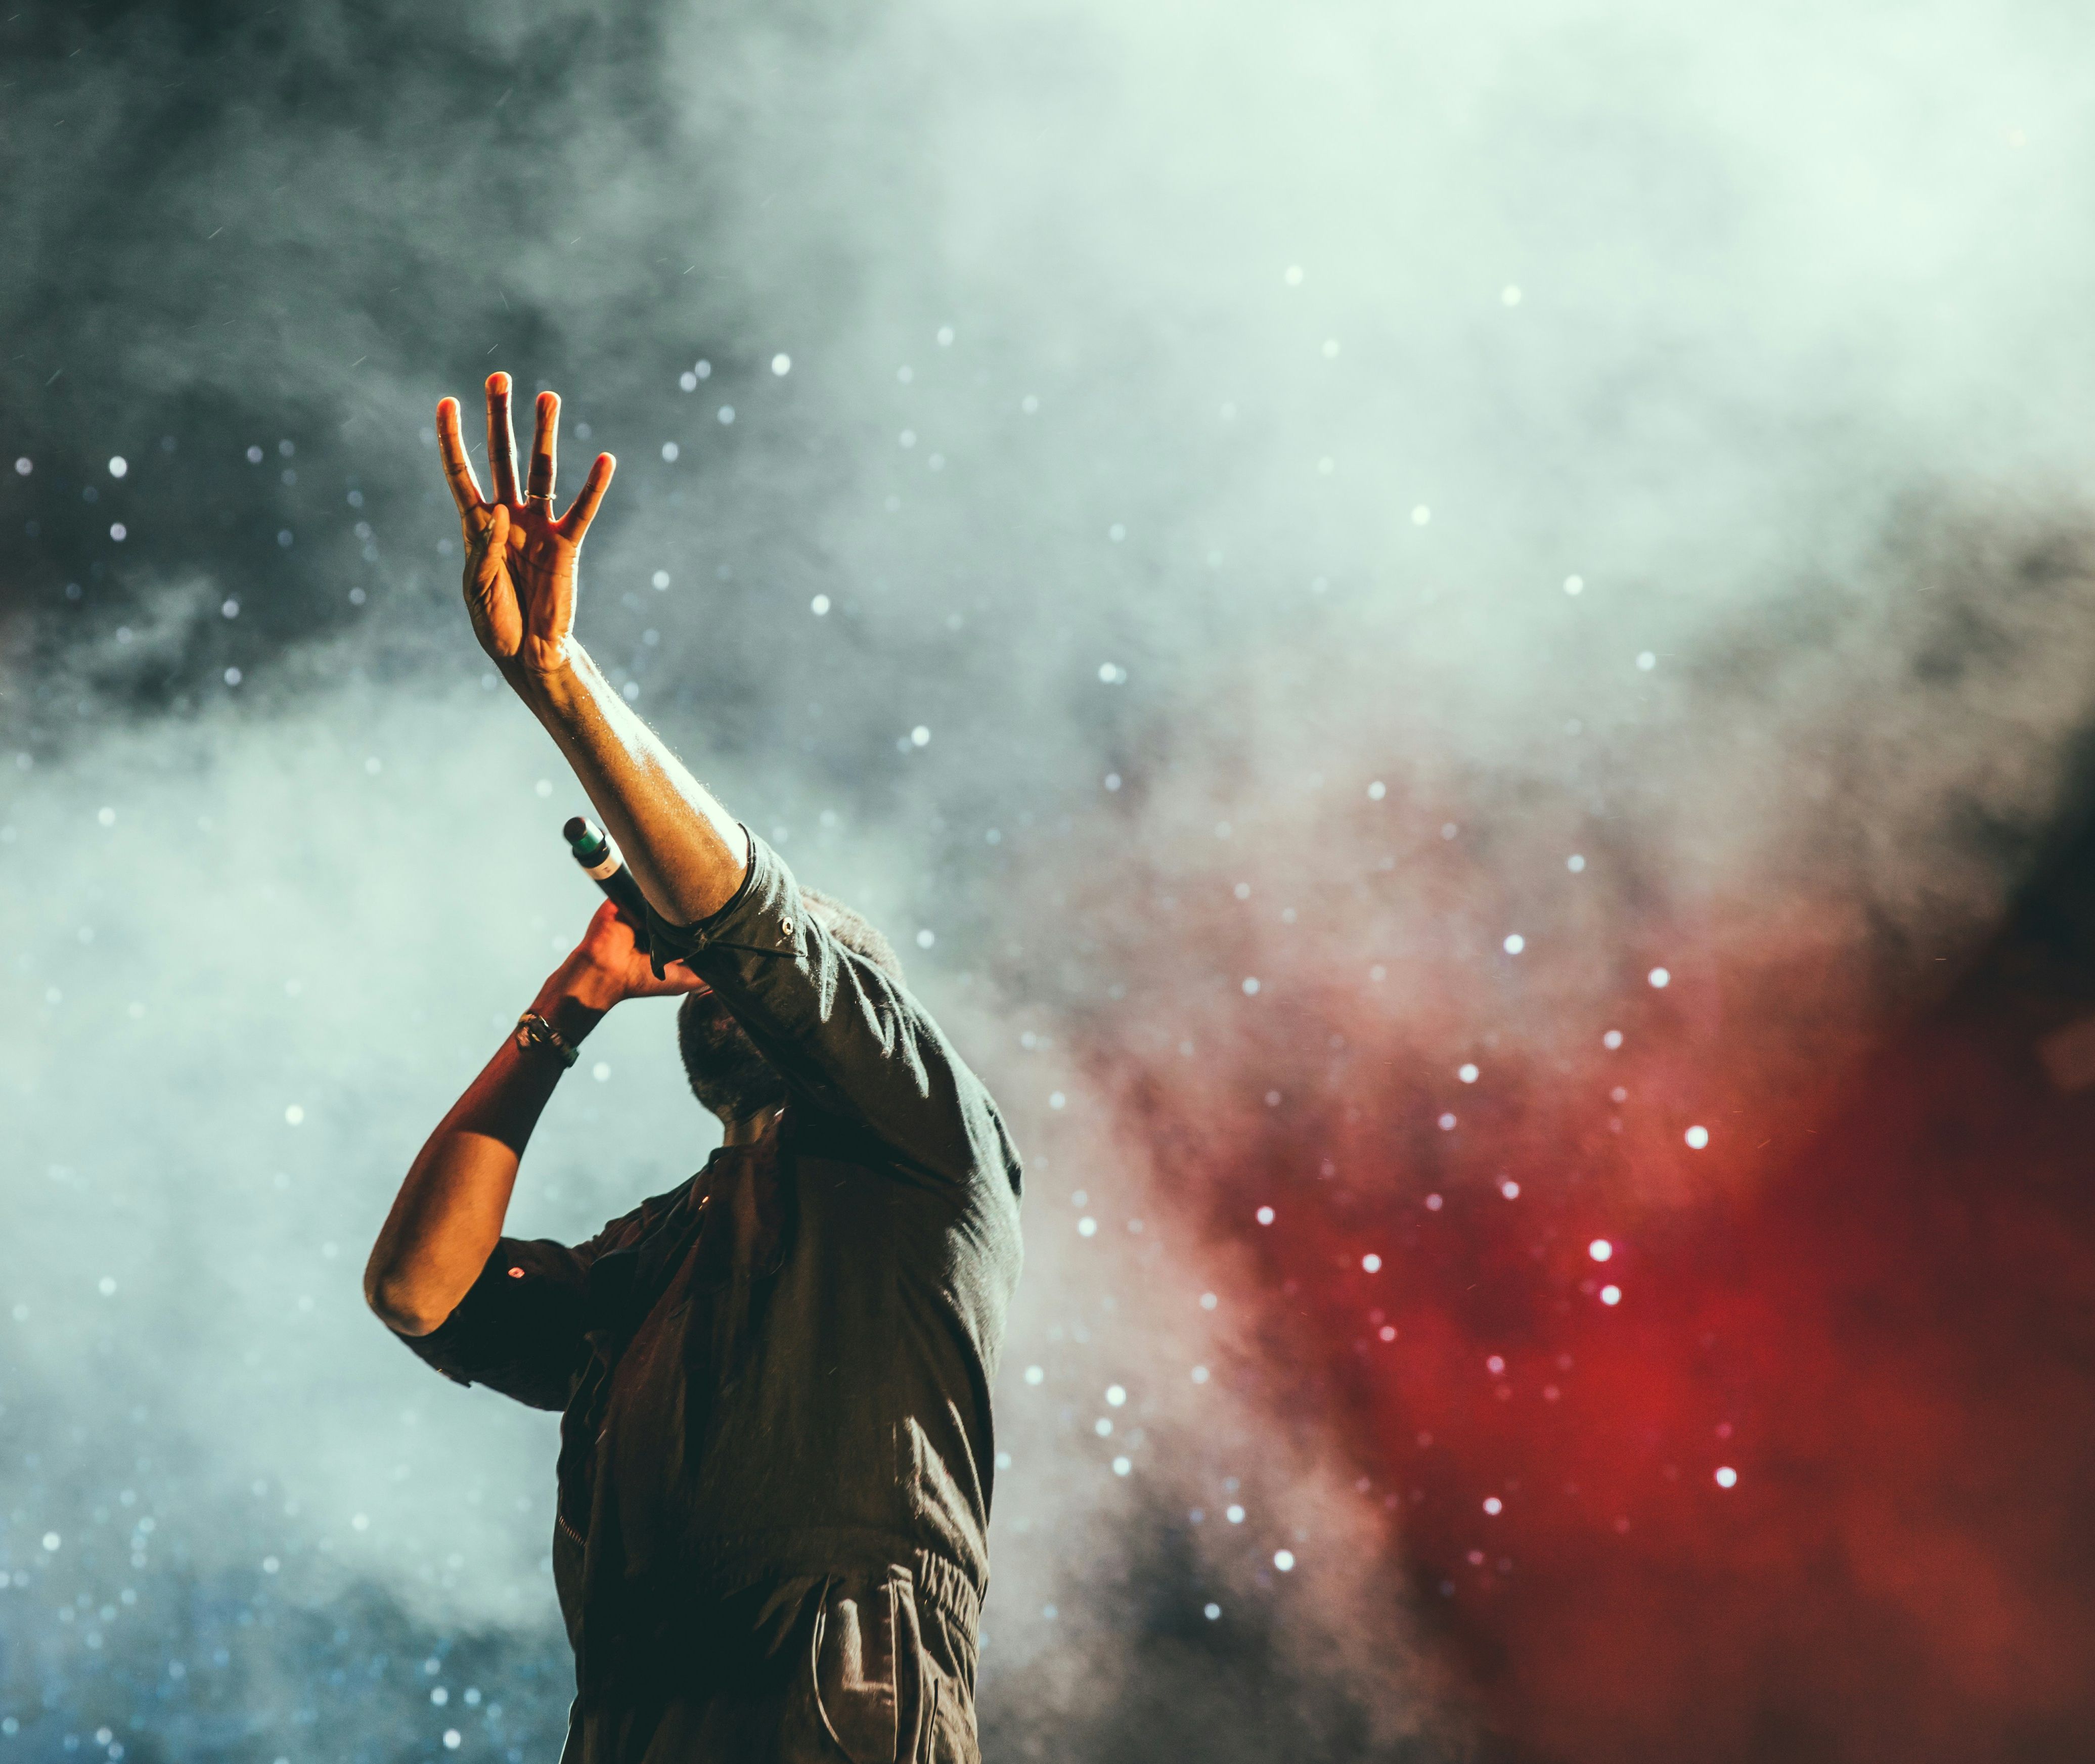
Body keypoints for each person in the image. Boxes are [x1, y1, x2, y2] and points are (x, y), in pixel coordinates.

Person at [363, 373, 1023, 1763]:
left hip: (831, 1687)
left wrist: (560, 682)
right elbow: (421, 1291)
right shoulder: (663, 1245)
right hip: (631, 1713)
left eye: (767, 971)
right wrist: (570, 1002)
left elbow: (753, 918)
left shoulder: (923, 1133)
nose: (713, 970)